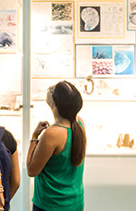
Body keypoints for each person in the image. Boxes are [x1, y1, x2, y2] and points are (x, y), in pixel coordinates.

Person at [26, 81, 86, 211]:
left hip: (51, 204)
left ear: (55, 103)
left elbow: (31, 170)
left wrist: (34, 137)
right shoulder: (79, 123)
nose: (49, 90)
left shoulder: (52, 134)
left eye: (52, 90)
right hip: (74, 203)